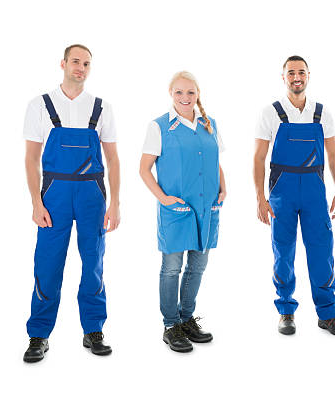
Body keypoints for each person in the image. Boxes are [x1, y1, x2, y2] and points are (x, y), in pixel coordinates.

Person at [23, 44, 120, 362]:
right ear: (63, 63)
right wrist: (36, 202)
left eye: (87, 63)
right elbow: (31, 157)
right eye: (76, 61)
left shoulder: (102, 107)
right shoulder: (40, 105)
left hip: (92, 194)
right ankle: (38, 334)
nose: (81, 67)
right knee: (48, 263)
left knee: (94, 263)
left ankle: (93, 329)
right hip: (55, 195)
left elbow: (113, 158)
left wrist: (115, 202)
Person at [254, 55, 335, 337]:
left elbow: (333, 154)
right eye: (291, 73)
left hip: (314, 190)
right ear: (283, 77)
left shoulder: (322, 113)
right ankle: (286, 311)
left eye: (301, 72)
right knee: (283, 252)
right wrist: (260, 197)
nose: (297, 77)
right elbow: (259, 157)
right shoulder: (271, 112)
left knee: (322, 251)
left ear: (309, 75)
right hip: (281, 191)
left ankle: (329, 315)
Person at [140, 71, 226, 353]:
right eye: (179, 93)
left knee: (198, 266)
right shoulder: (160, 126)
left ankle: (187, 318)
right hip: (177, 210)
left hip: (207, 208)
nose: (185, 98)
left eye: (190, 92)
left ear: (197, 94)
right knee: (172, 268)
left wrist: (223, 189)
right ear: (171, 94)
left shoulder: (209, 124)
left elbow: (217, 162)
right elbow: (144, 168)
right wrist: (163, 198)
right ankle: (170, 325)